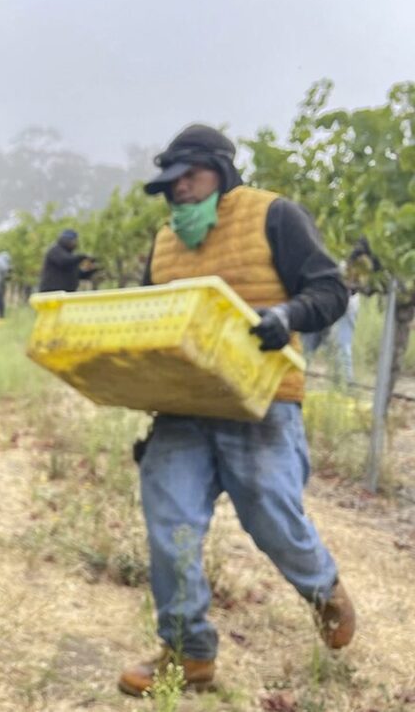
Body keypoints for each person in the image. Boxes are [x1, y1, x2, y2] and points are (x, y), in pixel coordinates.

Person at [122, 124, 354, 696]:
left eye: (188, 179)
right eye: (169, 185)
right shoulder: (164, 243)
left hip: (261, 400)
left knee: (271, 514)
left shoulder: (275, 215)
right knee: (169, 523)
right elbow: (152, 326)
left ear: (221, 172)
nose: (178, 193)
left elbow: (331, 291)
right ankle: (188, 653)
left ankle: (323, 588)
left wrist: (287, 316)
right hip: (184, 407)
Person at [301, 238, 380, 386]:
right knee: (331, 344)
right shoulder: (361, 260)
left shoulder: (354, 261)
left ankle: (344, 386)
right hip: (331, 299)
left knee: (322, 344)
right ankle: (344, 386)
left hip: (336, 299)